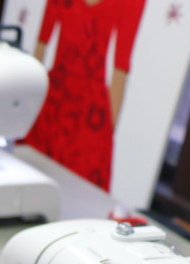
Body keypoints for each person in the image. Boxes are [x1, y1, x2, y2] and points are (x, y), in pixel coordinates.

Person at [23, 0, 146, 191]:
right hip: (53, 100)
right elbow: (41, 43)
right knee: (29, 177)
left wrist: (105, 137)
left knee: (78, 192)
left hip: (89, 115)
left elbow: (120, 70)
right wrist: (27, 103)